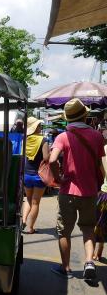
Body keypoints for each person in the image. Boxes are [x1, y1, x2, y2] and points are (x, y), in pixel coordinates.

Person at [49, 98, 105, 282]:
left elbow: (51, 160)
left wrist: (58, 178)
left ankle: (66, 268)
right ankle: (89, 262)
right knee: (88, 228)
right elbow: (99, 165)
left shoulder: (63, 136)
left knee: (64, 231)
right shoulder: (97, 137)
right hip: (89, 192)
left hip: (67, 191)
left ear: (68, 118)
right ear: (85, 115)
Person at [22, 116, 49, 234]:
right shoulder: (43, 140)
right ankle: (30, 227)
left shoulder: (25, 139)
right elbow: (46, 158)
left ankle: (23, 220)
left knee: (28, 199)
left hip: (26, 174)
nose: (40, 127)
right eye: (39, 125)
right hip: (39, 175)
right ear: (36, 127)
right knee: (35, 202)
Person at [93, 129, 107, 261]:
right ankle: (98, 253)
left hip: (104, 193)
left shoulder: (104, 150)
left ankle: (96, 253)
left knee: (99, 224)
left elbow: (101, 171)